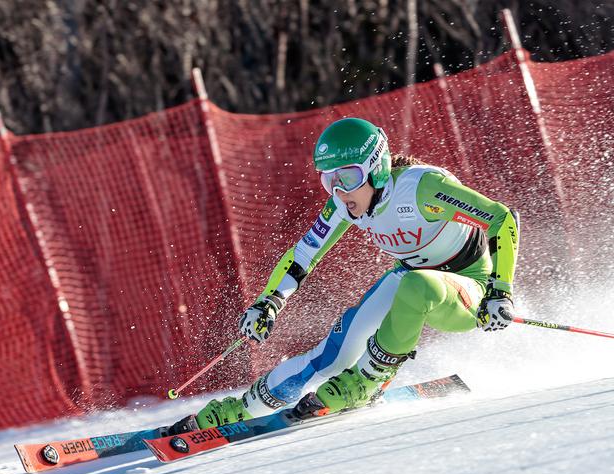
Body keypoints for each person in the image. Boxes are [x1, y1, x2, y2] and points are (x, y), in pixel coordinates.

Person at [171, 117, 519, 433]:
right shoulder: (344, 204)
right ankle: (244, 409)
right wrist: (269, 303)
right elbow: (303, 255)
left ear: (376, 168)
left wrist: (500, 292)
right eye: (329, 181)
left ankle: (368, 380)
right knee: (332, 355)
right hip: (413, 277)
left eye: (348, 178)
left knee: (416, 283)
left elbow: (502, 219)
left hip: (470, 289)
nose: (340, 191)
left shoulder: (422, 188)